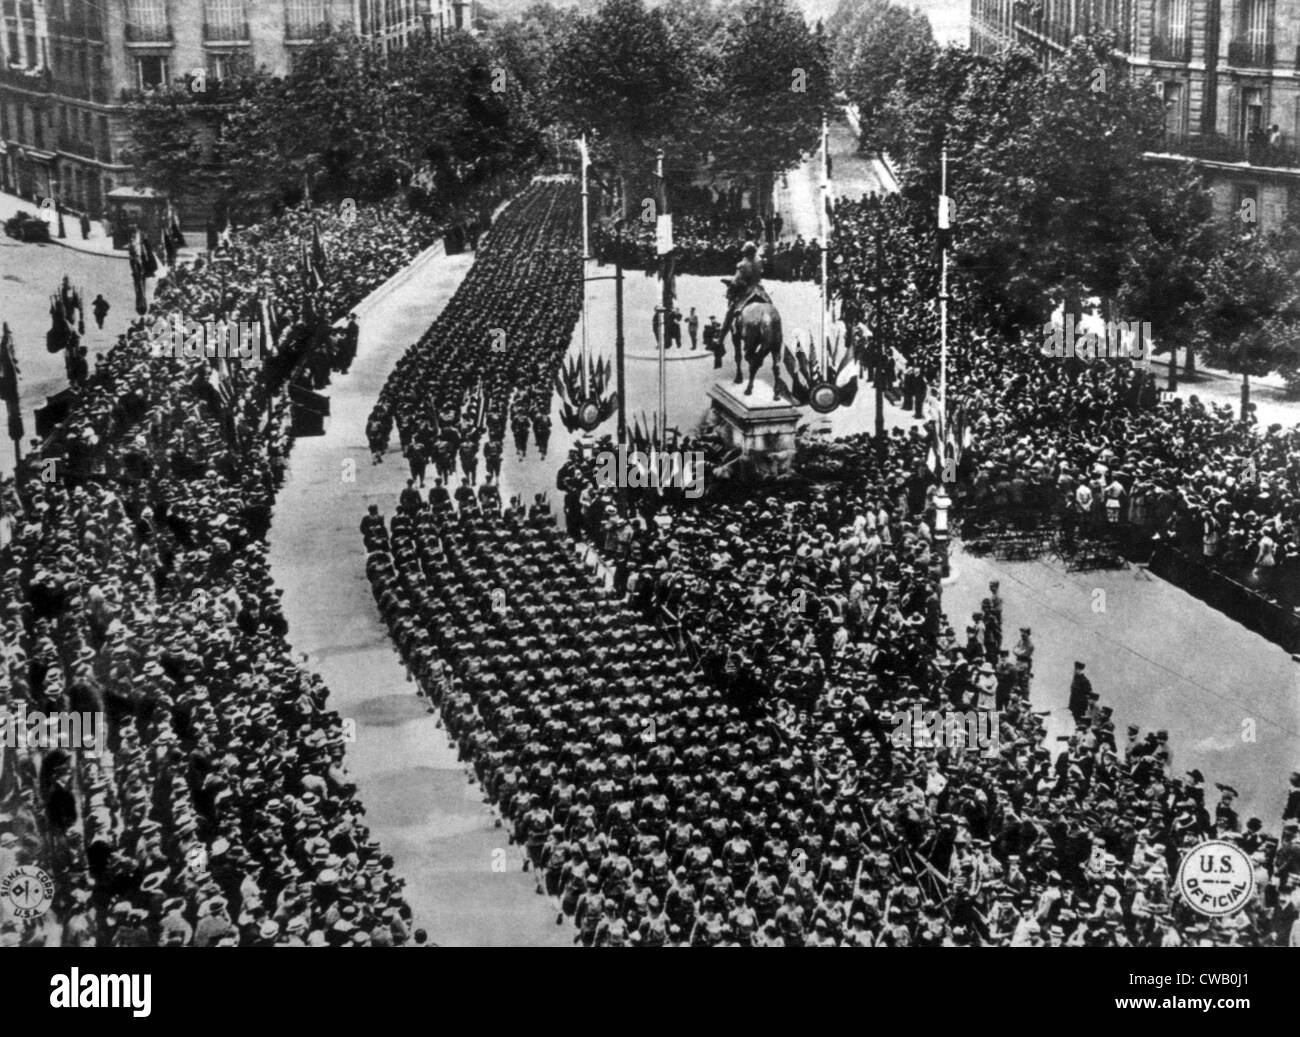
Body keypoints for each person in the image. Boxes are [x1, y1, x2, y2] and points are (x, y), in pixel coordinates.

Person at [1068, 661, 1092, 725]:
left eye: (1077, 669)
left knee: (1079, 722)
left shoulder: (1084, 680)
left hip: (1080, 706)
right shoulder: (1075, 679)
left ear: (1081, 670)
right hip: (1074, 705)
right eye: (1075, 669)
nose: (1075, 670)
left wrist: (1081, 700)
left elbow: (1088, 693)